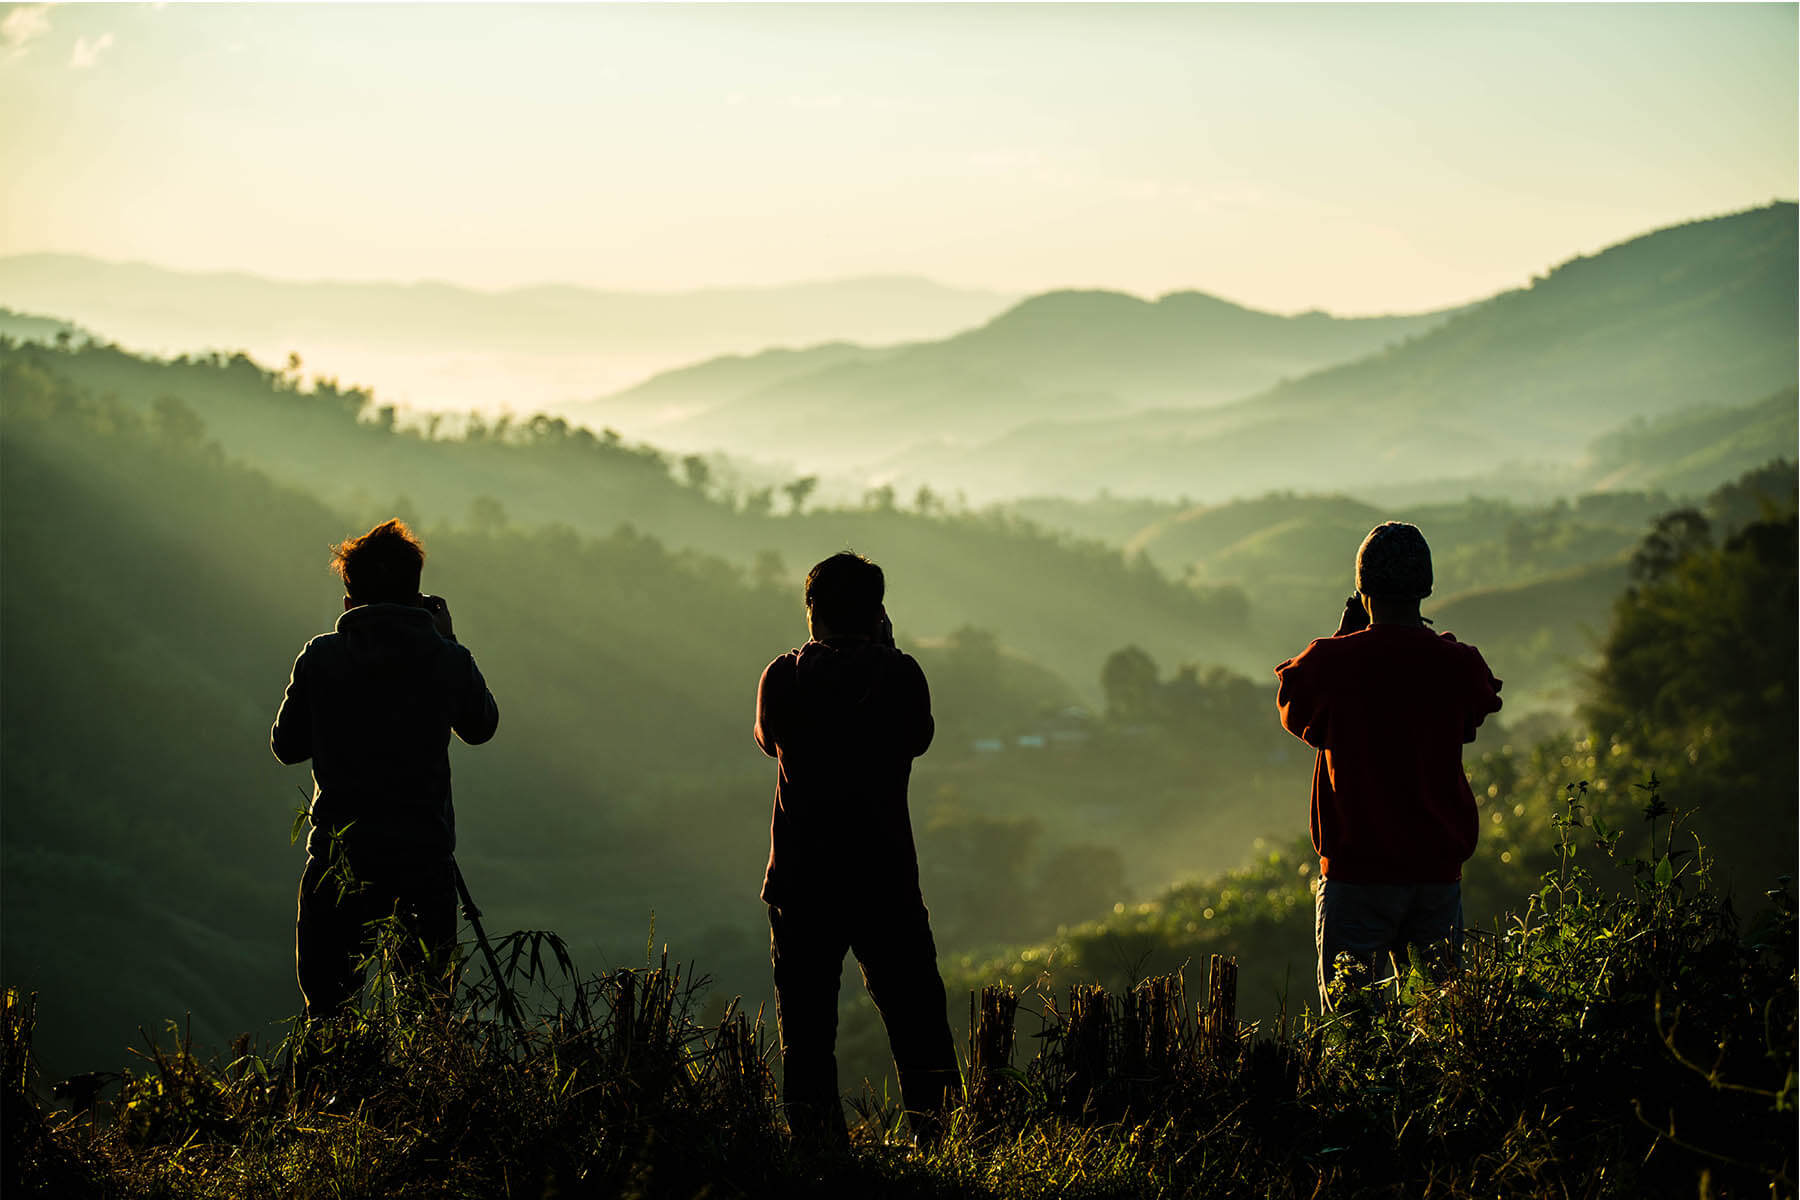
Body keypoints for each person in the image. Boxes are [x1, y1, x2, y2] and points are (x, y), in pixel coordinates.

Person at [754, 551, 961, 1149]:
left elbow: (769, 741)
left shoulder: (783, 677)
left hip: (801, 883)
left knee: (808, 1034)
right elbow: (917, 738)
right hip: (884, 881)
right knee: (919, 1023)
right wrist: (888, 652)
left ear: (811, 611)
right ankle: (943, 1145)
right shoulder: (900, 676)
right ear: (878, 612)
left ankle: (821, 1155)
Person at [271, 518, 499, 1019]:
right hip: (423, 861)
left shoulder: (321, 657)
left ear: (350, 597)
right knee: (427, 1015)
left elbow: (286, 747)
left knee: (329, 1012)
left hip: (341, 859)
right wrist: (451, 640)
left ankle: (329, 1097)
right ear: (417, 594)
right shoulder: (445, 659)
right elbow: (481, 726)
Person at [1273, 522, 1502, 1011]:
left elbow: (1295, 706)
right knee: (1444, 1027)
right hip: (1435, 875)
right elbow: (1477, 706)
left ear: (1363, 590)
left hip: (1358, 876)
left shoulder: (1331, 663)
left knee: (1355, 1032)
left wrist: (1343, 635)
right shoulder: (1454, 664)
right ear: (1426, 589)